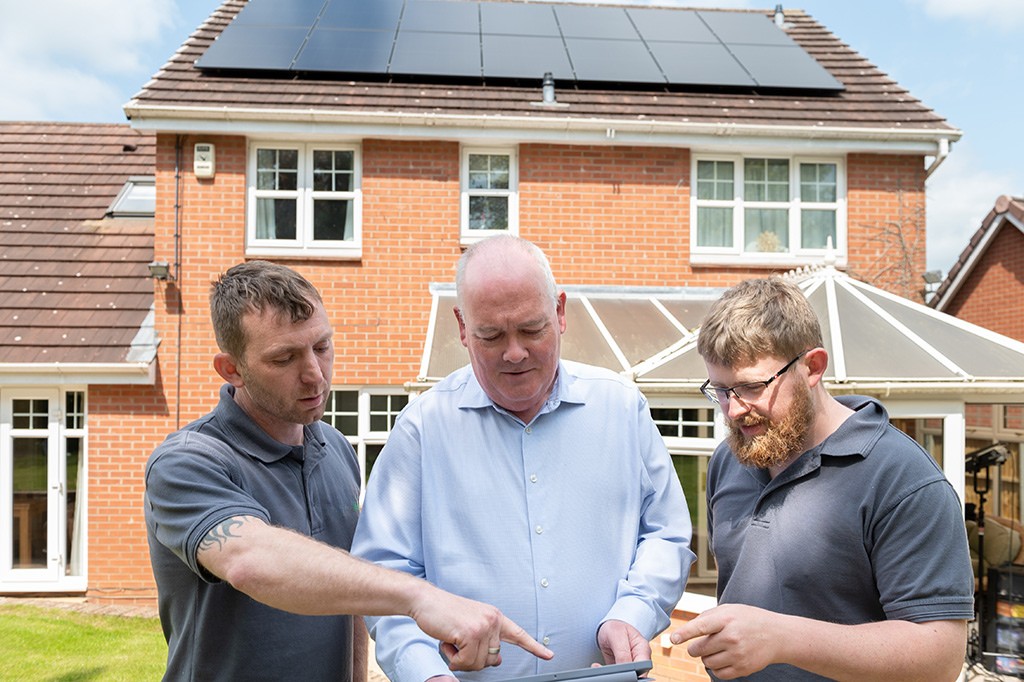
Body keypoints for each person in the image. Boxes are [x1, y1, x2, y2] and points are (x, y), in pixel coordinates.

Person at [144, 260, 552, 681]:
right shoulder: (188, 462)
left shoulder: (334, 448)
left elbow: (349, 596)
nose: (314, 374)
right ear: (232, 370)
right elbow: (249, 559)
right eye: (284, 358)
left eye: (321, 346)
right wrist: (418, 597)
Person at [351, 234, 696, 682]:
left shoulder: (622, 409)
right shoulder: (422, 427)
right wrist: (426, 673)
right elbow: (384, 574)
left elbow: (666, 535)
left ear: (560, 312)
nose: (514, 353)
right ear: (461, 326)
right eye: (491, 335)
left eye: (532, 329)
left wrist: (633, 613)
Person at [670, 276, 974, 681]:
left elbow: (940, 657)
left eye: (751, 387)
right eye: (721, 390)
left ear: (813, 367)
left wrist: (783, 639)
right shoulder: (731, 459)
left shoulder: (903, 479)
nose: (733, 410)